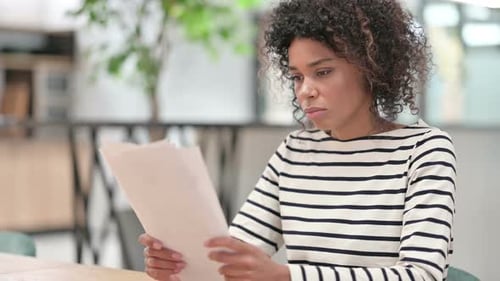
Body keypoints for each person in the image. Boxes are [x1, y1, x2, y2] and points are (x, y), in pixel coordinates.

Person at [139, 0, 456, 280]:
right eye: (297, 77)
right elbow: (238, 255)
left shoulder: (424, 151)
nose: (305, 90)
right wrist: (181, 266)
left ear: (370, 69)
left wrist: (286, 276)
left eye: (323, 72)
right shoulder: (295, 152)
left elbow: (421, 274)